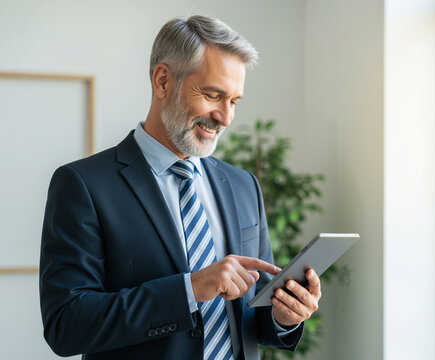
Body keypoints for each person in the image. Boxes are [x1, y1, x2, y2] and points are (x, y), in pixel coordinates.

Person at [39, 15, 321, 360]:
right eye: (213, 95)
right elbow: (66, 326)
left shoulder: (244, 185)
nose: (225, 118)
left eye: (233, 101)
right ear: (162, 81)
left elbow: (253, 316)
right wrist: (190, 289)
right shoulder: (83, 185)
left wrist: (284, 317)